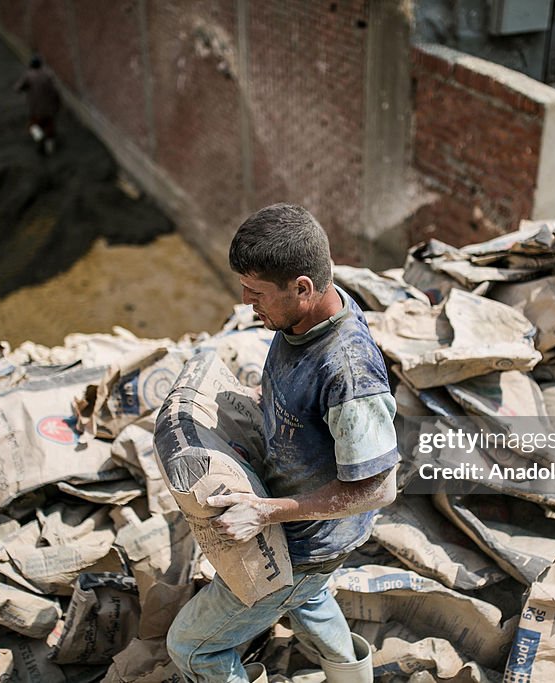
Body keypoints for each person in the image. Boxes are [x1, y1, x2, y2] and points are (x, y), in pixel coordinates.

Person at [166, 203, 399, 682]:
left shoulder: (348, 374)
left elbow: (379, 490)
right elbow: (307, 403)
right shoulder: (303, 317)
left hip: (306, 543)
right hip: (306, 535)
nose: (247, 303)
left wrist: (264, 511)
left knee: (191, 648)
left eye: (257, 294)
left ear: (303, 287)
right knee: (310, 599)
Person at [13, 55, 61, 155]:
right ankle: (50, 149)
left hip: (36, 109)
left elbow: (17, 89)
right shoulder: (48, 75)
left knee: (33, 127)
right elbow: (56, 90)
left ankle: (40, 139)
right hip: (50, 108)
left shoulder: (28, 76)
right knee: (49, 127)